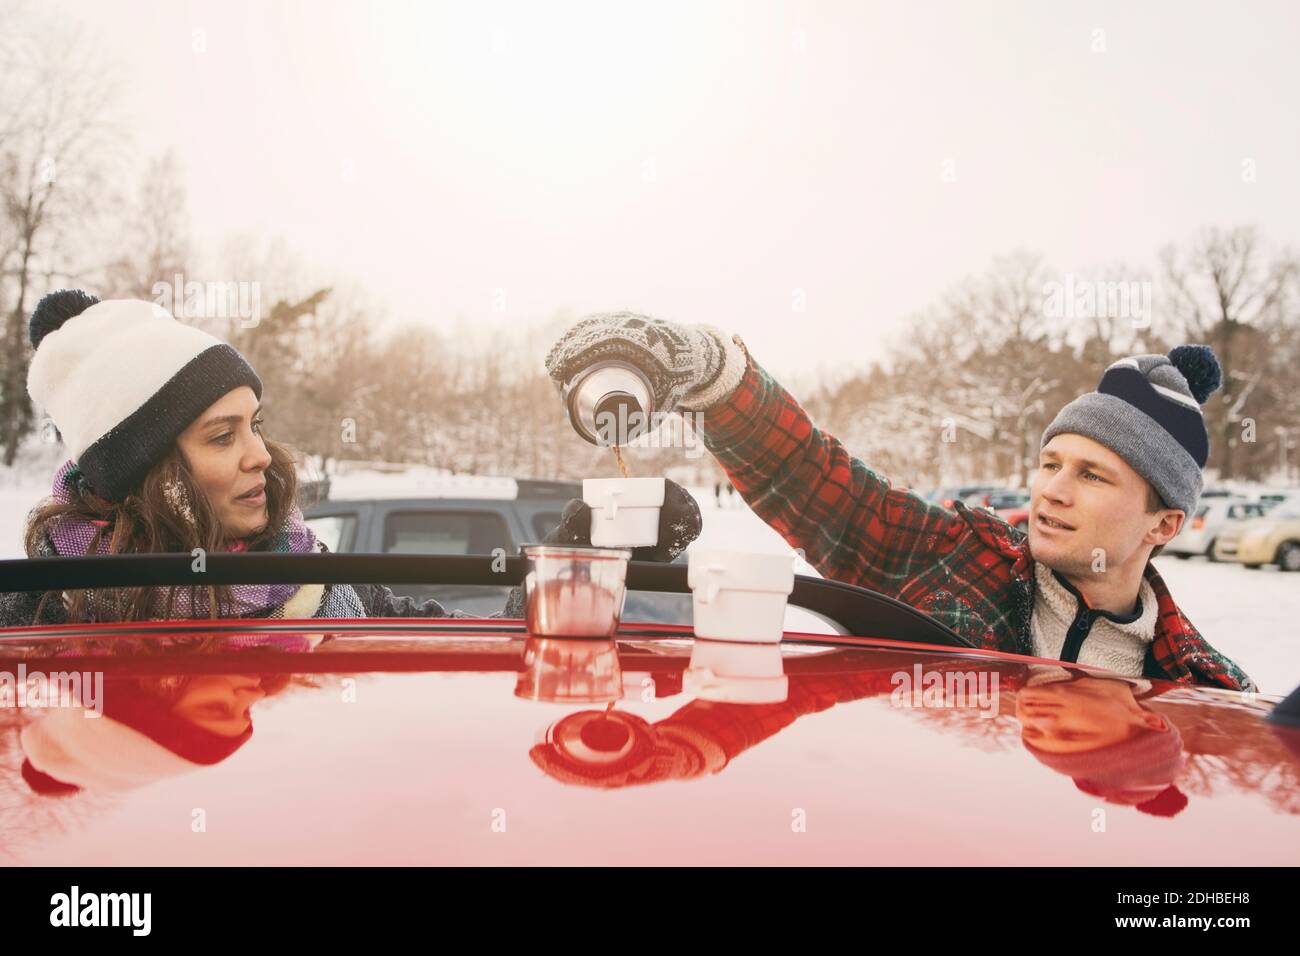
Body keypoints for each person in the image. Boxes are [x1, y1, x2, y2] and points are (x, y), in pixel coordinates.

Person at [544, 313, 1252, 690]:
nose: (1053, 491)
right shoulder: (953, 556)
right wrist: (710, 373)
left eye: (1094, 477)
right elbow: (817, 481)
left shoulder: (1206, 689)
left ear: (1167, 522)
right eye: (1049, 463)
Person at [2, 291, 699, 627]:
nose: (261, 459)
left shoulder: (322, 584)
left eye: (256, 426)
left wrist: (575, 559)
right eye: (222, 437)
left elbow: (463, 646)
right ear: (140, 475)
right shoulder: (42, 618)